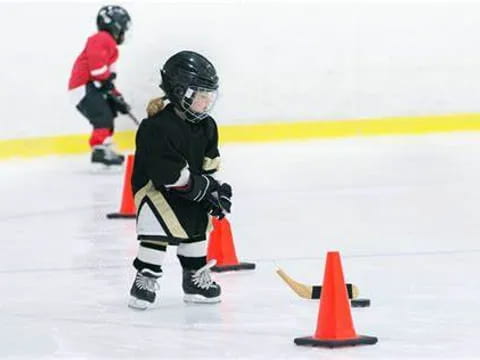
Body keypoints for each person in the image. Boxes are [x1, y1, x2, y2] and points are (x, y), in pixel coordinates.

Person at [128, 51, 233, 310]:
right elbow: (167, 175)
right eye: (200, 94)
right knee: (156, 228)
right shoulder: (156, 127)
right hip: (157, 191)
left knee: (198, 227)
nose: (207, 100)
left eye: (210, 94)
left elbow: (209, 165)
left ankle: (194, 279)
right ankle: (146, 276)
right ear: (180, 92)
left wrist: (215, 192)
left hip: (188, 191)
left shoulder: (208, 126)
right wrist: (203, 188)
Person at [68, 5, 132, 166]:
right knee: (103, 117)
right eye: (124, 28)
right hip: (83, 87)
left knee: (109, 113)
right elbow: (97, 69)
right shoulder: (102, 38)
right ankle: (99, 149)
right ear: (116, 25)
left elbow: (107, 79)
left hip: (91, 87)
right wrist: (106, 83)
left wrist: (117, 97)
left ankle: (104, 147)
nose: (124, 33)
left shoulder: (112, 48)